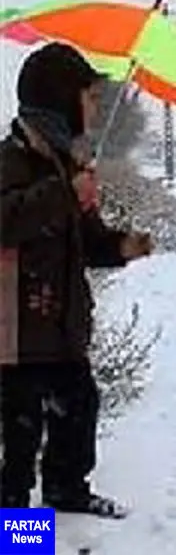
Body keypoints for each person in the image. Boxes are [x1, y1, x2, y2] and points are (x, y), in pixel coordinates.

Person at [0, 43, 154, 515]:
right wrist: (65, 193)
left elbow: (83, 242)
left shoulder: (67, 166)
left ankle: (68, 492)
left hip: (62, 330)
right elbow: (6, 220)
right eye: (88, 96)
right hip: (15, 337)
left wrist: (120, 246)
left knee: (78, 411)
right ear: (59, 99)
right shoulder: (10, 161)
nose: (94, 107)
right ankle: (25, 540)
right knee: (19, 450)